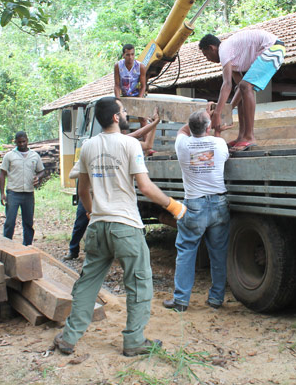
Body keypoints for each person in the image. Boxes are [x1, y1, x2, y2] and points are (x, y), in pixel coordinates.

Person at [53, 97, 186, 357]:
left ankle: (68, 338)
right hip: (125, 226)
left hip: (99, 226)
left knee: (87, 284)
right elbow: (145, 187)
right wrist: (173, 206)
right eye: (123, 111)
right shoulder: (130, 145)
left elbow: (82, 190)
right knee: (139, 283)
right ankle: (134, 341)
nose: (125, 114)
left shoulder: (89, 146)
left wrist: (93, 213)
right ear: (116, 117)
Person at [63, 109, 161, 261]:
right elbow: (137, 136)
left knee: (99, 224)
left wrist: (154, 124)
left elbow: (147, 144)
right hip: (92, 191)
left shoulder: (123, 142)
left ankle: (99, 253)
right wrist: (153, 123)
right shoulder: (103, 141)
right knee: (82, 220)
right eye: (123, 113)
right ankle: (73, 249)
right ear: (115, 120)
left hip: (101, 193)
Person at [163, 109, 230, 312]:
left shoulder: (182, 144)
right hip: (219, 203)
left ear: (189, 127)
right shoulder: (219, 143)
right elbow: (221, 153)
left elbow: (183, 131)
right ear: (208, 127)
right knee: (218, 254)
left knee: (186, 251)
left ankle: (181, 300)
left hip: (194, 206)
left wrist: (198, 118)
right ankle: (216, 299)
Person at [199, 30, 286, 151]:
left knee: (246, 86)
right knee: (241, 87)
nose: (207, 59)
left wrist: (218, 114)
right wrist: (227, 111)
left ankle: (249, 136)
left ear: (211, 48)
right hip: (270, 49)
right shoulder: (231, 57)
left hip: (274, 48)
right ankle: (241, 137)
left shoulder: (223, 49)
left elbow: (227, 84)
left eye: (206, 54)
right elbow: (238, 88)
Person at [0, 131, 45, 246]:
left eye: (23, 141)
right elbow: (2, 173)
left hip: (28, 193)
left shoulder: (34, 156)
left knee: (28, 222)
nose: (22, 144)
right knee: (10, 221)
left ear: (27, 141)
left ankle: (27, 246)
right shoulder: (9, 156)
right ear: (15, 142)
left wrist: (38, 177)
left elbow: (41, 170)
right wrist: (2, 193)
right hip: (13, 193)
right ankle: (7, 245)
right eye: (19, 142)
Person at [114, 44, 148, 130]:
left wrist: (139, 98)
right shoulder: (118, 66)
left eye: (132, 54)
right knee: (123, 120)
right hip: (124, 96)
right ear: (123, 55)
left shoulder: (140, 66)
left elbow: (143, 86)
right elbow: (117, 85)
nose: (130, 57)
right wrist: (118, 100)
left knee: (143, 118)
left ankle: (146, 142)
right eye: (128, 55)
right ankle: (124, 141)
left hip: (136, 95)